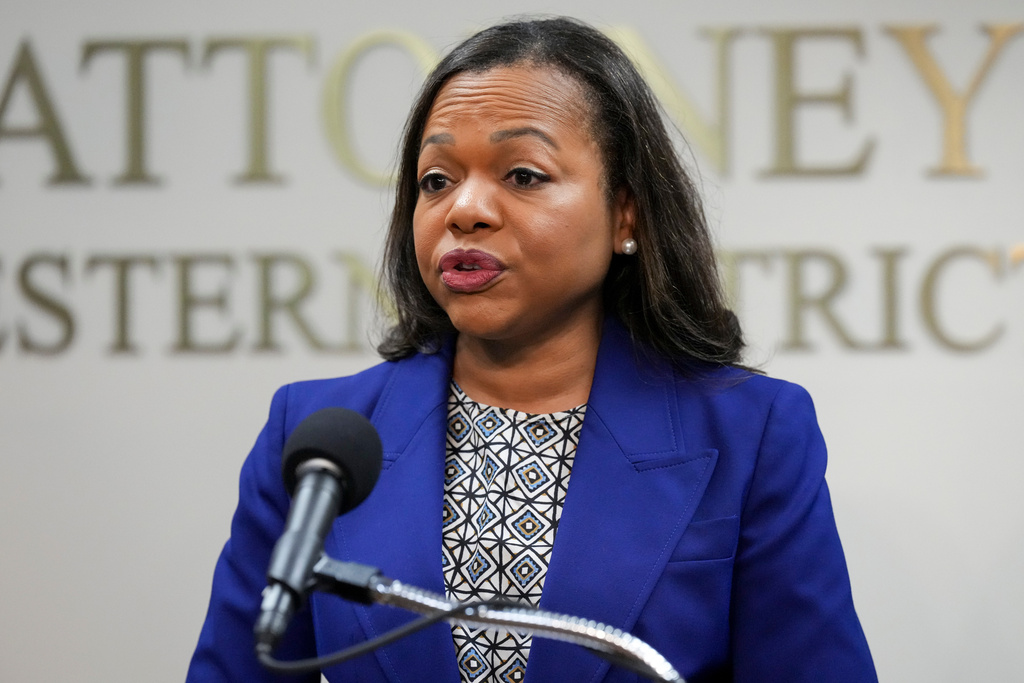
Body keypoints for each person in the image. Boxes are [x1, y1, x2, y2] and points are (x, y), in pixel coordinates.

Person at [188, 16, 876, 683]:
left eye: (522, 174)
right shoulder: (319, 441)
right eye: (437, 179)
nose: (464, 209)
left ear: (625, 213)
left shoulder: (751, 435)